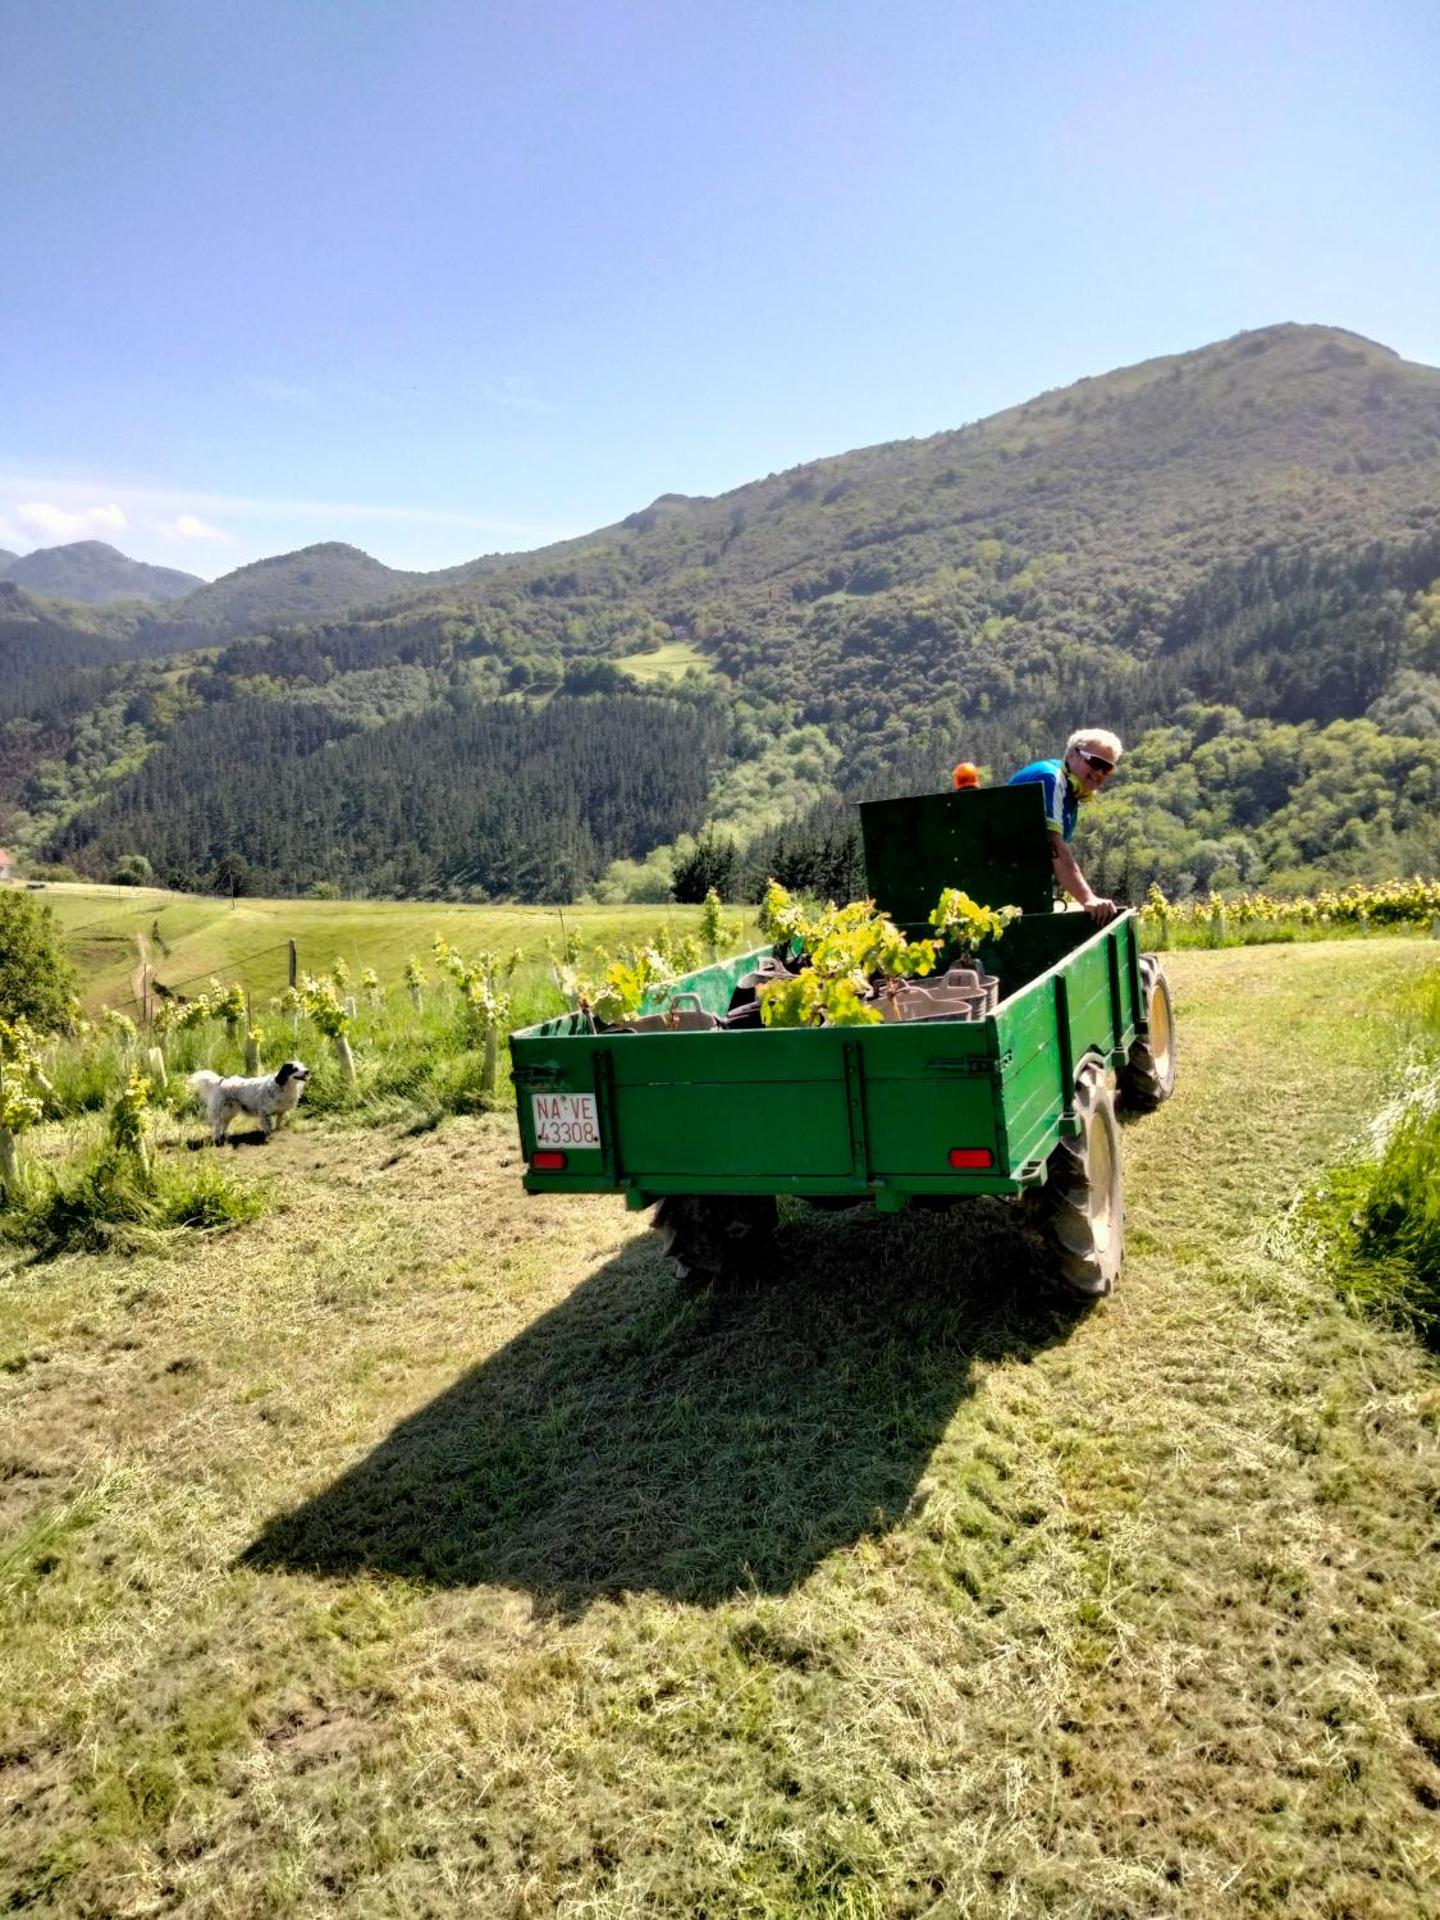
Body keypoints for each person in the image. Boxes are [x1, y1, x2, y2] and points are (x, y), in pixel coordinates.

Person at [1008, 728, 1123, 925]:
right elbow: (1053, 844)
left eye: (1107, 769)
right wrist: (1088, 898)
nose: (1099, 773)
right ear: (1071, 754)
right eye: (1095, 762)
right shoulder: (1051, 779)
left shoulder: (1069, 793)